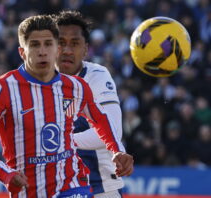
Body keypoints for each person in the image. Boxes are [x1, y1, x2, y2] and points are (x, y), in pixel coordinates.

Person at [0, 14, 133, 198]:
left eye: (48, 44)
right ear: (22, 52)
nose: (42, 51)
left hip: (75, 187)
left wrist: (117, 149)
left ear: (56, 49)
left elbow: (102, 121)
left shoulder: (76, 86)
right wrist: (5, 173)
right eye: (34, 45)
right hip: (29, 191)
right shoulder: (2, 88)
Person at [56, 11, 134, 198]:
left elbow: (114, 130)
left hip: (100, 186)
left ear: (85, 49)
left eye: (74, 43)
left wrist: (58, 143)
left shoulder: (97, 76)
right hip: (56, 185)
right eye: (60, 42)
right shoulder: (36, 81)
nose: (67, 50)